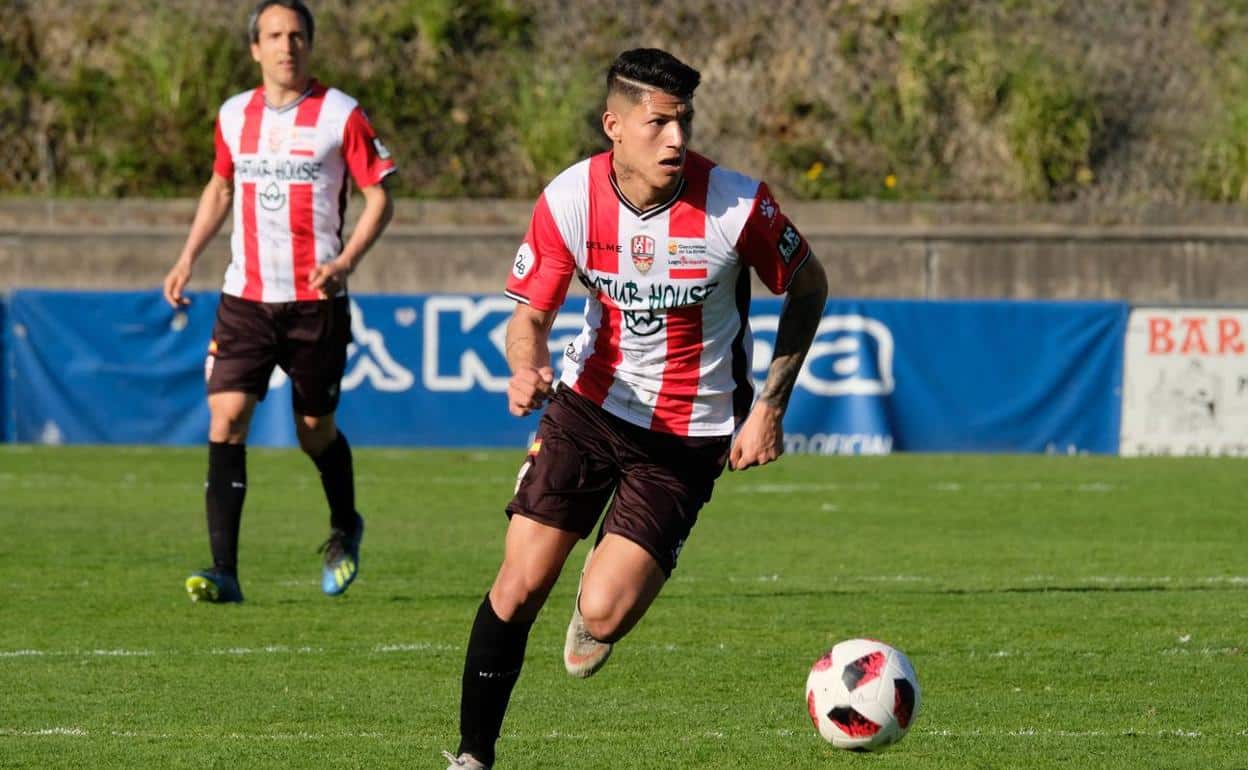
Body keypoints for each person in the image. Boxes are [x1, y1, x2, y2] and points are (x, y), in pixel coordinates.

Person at [442, 48, 829, 770]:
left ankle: (602, 587)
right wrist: (524, 367)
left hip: (689, 436)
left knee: (604, 614)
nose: (677, 140)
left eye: (683, 122)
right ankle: (472, 755)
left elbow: (810, 288)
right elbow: (527, 316)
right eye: (658, 123)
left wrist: (770, 406)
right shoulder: (568, 199)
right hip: (588, 409)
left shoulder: (739, 205)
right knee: (520, 583)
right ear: (614, 125)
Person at [161, 0, 396, 603]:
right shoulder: (234, 115)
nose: (286, 46)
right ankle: (225, 572)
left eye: (296, 35)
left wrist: (344, 264)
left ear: (309, 45)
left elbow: (379, 198)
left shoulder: (340, 114)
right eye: (274, 36)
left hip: (315, 302)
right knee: (227, 416)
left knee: (313, 431)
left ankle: (346, 525)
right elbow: (219, 185)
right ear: (255, 49)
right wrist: (188, 256)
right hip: (245, 298)